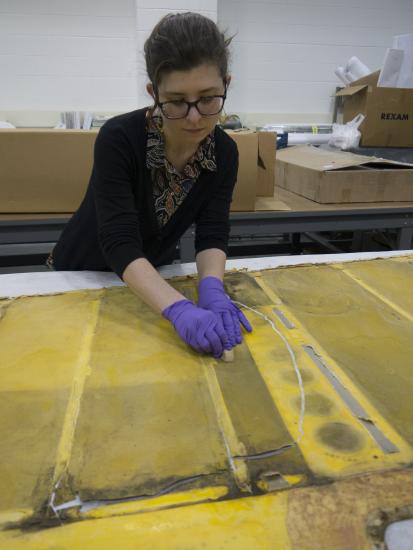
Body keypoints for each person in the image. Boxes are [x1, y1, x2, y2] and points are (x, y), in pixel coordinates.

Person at [47, 12, 252, 358]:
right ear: (153, 94)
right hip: (81, 276)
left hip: (151, 284)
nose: (194, 117)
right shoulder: (120, 138)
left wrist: (212, 286)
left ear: (226, 85)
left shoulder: (225, 152)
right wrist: (179, 310)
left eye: (208, 98)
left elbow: (213, 232)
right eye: (175, 101)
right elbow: (119, 240)